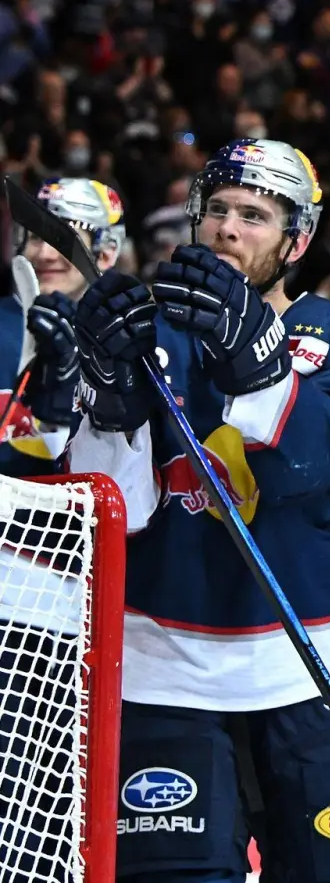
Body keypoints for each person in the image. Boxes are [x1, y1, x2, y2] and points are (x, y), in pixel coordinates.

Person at [67, 138, 330, 881]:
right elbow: (111, 510)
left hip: (304, 672)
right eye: (216, 209)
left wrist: (256, 356)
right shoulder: (147, 332)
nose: (227, 228)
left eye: (254, 215)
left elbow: (310, 466)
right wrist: (107, 396)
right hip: (163, 677)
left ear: (298, 240)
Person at [0, 176, 126, 882]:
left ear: (104, 252)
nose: (52, 250)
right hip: (18, 612)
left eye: (71, 234)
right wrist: (37, 420)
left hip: (111, 619)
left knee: (78, 819)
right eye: (43, 231)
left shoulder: (135, 342)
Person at [1, 178, 127, 475]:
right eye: (34, 237)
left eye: (61, 238)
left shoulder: (126, 341)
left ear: (107, 252)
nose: (44, 253)